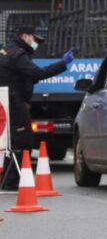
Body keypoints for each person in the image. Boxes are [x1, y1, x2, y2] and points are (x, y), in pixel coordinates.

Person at [0, 26, 73, 190]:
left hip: (8, 102)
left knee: (12, 142)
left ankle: (8, 178)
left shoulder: (8, 50)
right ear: (25, 36)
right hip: (14, 103)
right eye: (34, 39)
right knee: (21, 141)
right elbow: (37, 74)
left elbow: (23, 78)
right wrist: (63, 63)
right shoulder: (18, 55)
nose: (36, 44)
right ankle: (11, 181)